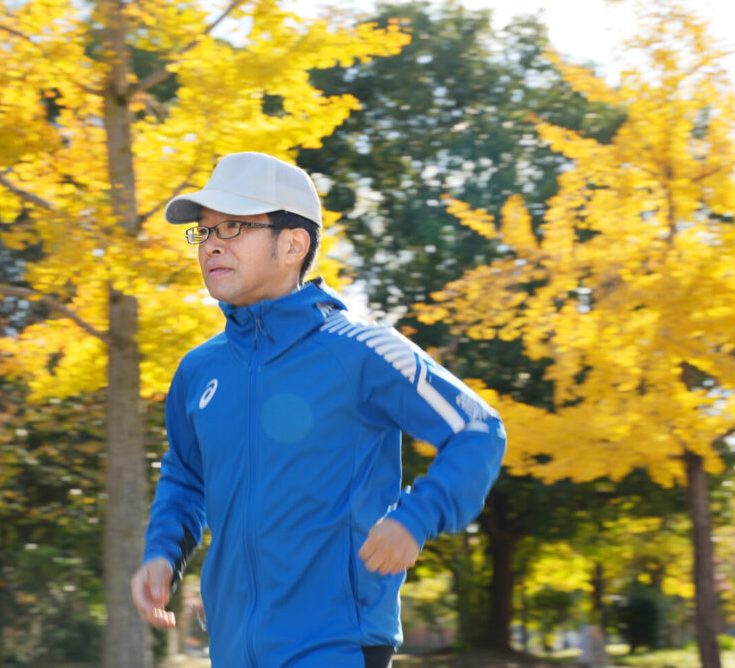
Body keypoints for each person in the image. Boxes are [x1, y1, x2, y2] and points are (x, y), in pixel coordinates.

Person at [131, 152, 506, 667]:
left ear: (293, 243)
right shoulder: (199, 370)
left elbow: (478, 429)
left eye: (234, 226)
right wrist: (163, 555)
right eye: (204, 231)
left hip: (339, 645)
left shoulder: (362, 350)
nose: (211, 243)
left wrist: (416, 519)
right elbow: (185, 477)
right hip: (233, 652)